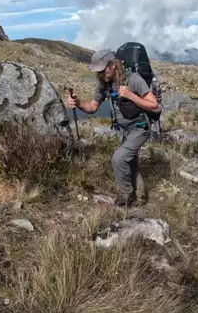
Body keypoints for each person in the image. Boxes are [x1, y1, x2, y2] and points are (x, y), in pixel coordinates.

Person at [66, 50, 161, 207]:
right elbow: (91, 107)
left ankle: (125, 195)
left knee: (119, 158)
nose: (101, 74)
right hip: (123, 131)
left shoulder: (134, 80)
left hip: (140, 128)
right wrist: (77, 103)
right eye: (98, 71)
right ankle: (141, 197)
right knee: (129, 162)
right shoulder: (104, 85)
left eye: (104, 70)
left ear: (113, 65)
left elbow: (154, 106)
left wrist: (131, 95)